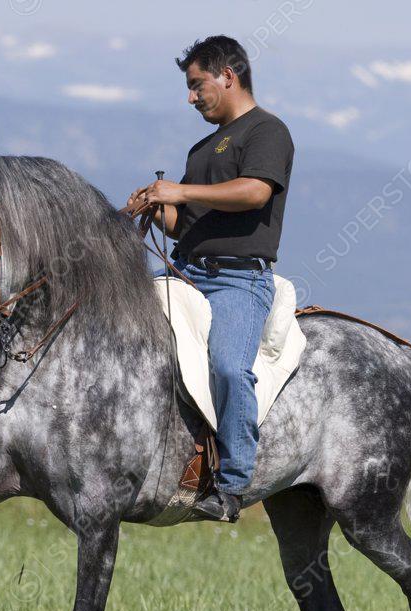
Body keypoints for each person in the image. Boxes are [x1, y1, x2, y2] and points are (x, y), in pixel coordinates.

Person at [126, 35, 295, 523]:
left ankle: (233, 484)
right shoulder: (202, 149)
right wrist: (160, 211)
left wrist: (177, 189)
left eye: (197, 85)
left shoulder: (267, 131)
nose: (191, 97)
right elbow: (189, 226)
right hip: (186, 270)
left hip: (239, 281)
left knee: (227, 367)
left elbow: (255, 192)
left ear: (229, 75)